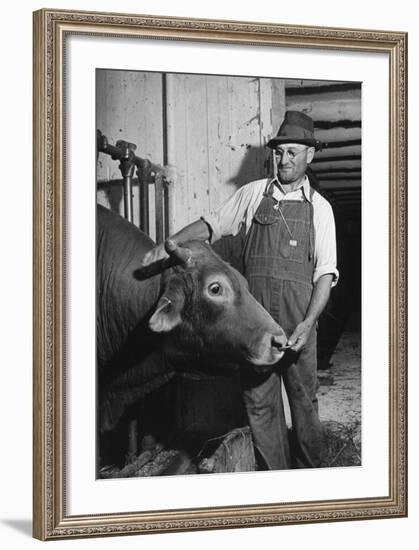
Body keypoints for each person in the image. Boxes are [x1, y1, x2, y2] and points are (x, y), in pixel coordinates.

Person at [142, 111, 338, 470]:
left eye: (293, 152)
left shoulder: (320, 211)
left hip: (299, 323)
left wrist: (309, 323)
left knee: (304, 404)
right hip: (255, 322)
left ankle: (312, 482)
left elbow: (325, 274)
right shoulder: (252, 195)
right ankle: (274, 482)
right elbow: (211, 225)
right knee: (260, 406)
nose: (285, 159)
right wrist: (169, 243)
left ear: (310, 155)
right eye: (280, 152)